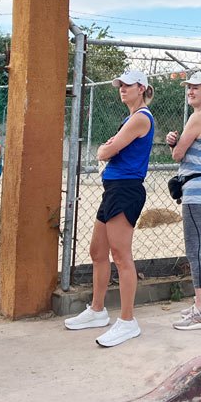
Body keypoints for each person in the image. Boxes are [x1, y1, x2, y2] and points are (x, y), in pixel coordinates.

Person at [64, 70, 154, 347]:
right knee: (98, 251)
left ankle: (127, 321)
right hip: (113, 189)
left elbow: (105, 152)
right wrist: (108, 147)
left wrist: (108, 147)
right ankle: (97, 310)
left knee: (121, 256)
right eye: (120, 85)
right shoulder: (131, 118)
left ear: (141, 88)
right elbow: (107, 149)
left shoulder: (141, 118)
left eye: (128, 85)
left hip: (126, 190)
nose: (122, 89)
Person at [166, 72, 201, 331]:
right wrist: (177, 144)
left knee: (195, 250)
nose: (190, 91)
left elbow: (178, 154)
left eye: (196, 87)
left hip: (196, 191)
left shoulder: (198, 117)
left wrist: (175, 145)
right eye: (189, 87)